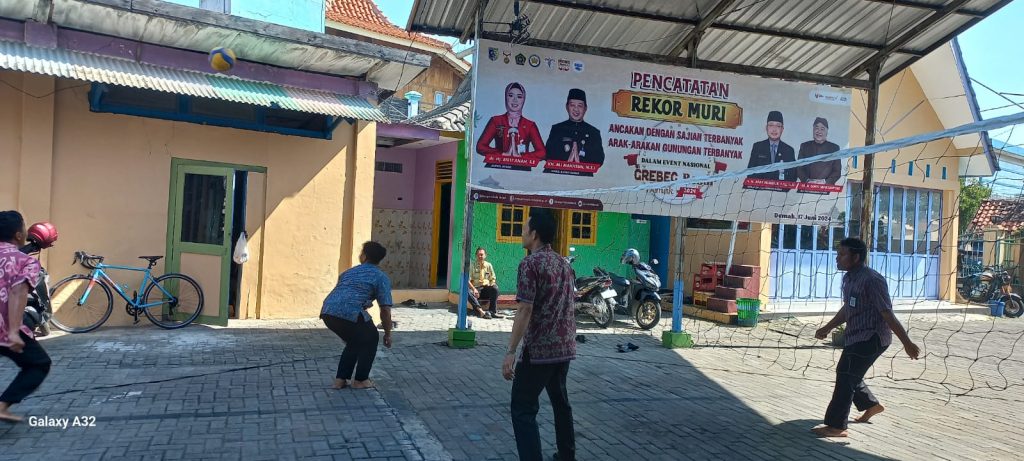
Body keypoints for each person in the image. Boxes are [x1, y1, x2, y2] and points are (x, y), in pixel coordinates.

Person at [812, 237, 921, 438]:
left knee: (846, 375)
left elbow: (887, 313)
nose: (837, 258)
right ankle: (871, 405)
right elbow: (848, 308)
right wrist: (827, 327)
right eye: (837, 254)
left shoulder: (872, 280)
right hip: (855, 336)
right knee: (849, 374)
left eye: (842, 254)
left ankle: (837, 426)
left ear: (856, 257)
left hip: (872, 338)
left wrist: (907, 343)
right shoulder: (849, 278)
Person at [502, 209, 577, 461]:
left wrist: (511, 351)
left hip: (539, 351)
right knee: (560, 402)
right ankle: (567, 455)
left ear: (534, 234)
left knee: (522, 408)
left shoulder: (530, 264)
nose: (521, 232)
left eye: (525, 228)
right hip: (564, 347)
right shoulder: (564, 263)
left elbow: (525, 308)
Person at [320, 241, 394, 390]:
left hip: (328, 311)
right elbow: (385, 310)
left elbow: (343, 293)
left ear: (364, 256)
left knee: (355, 341)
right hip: (351, 312)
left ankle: (340, 380)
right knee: (371, 337)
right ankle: (361, 380)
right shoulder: (381, 277)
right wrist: (387, 333)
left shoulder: (348, 273)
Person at [0, 210, 50, 423]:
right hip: (4, 328)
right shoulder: (24, 262)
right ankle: (2, 406)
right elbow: (18, 292)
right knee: (38, 364)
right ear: (19, 235)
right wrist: (13, 331)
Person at [477, 82, 546, 160]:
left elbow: (542, 153)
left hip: (523, 166)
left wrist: (523, 157)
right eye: (510, 95)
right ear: (506, 97)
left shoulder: (530, 125)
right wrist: (501, 154)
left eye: (519, 97)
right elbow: (480, 147)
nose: (515, 100)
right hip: (499, 165)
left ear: (524, 100)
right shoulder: (496, 121)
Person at [544, 88, 605, 174]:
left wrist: (579, 159)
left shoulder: (594, 132)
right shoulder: (557, 129)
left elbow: (599, 159)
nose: (576, 109)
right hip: (557, 173)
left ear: (585, 108)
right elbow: (548, 154)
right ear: (567, 107)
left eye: (580, 106)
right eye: (572, 105)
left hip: (584, 177)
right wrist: (567, 161)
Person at [745, 110, 796, 184]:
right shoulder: (757, 147)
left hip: (781, 190)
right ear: (766, 128)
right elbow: (750, 173)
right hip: (760, 189)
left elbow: (793, 177)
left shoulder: (789, 150)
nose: (774, 129)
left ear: (782, 129)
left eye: (778, 126)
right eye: (771, 125)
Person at [796, 117, 842, 184]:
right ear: (813, 129)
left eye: (822, 129)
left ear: (827, 132)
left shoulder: (834, 148)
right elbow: (799, 168)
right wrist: (807, 180)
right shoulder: (804, 146)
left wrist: (824, 182)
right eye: (816, 128)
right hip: (806, 186)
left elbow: (837, 172)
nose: (819, 131)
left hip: (826, 188)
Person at [470, 247, 503, 319]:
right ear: (476, 255)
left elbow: (493, 278)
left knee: (495, 288)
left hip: (486, 289)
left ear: (485, 255)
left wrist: (492, 284)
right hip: (476, 289)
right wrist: (474, 289)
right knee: (467, 292)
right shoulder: (472, 265)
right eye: (478, 255)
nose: (480, 256)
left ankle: (492, 312)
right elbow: (468, 280)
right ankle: (480, 311)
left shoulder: (488, 265)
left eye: (482, 254)